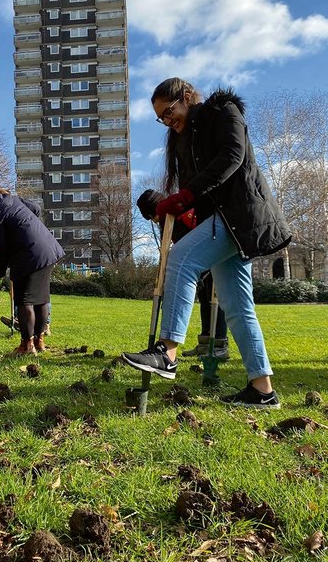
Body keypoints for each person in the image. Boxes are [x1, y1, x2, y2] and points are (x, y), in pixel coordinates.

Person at [123, 79, 292, 408]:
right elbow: (197, 188)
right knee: (238, 307)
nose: (169, 121)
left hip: (241, 216)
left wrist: (185, 197)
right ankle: (262, 390)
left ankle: (167, 351)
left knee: (181, 260)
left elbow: (233, 156)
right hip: (222, 222)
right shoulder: (184, 140)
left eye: (170, 112)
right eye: (162, 118)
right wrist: (186, 206)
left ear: (187, 98)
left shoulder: (223, 112)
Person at [0, 184, 64, 356]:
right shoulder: (10, 199)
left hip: (28, 254)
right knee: (40, 299)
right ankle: (39, 342)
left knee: (23, 301)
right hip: (47, 249)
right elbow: (36, 209)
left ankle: (26, 347)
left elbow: (1, 251)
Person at [136, 188, 229, 360]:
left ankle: (219, 345)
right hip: (196, 266)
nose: (154, 221)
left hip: (211, 258)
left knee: (214, 296)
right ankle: (205, 342)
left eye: (151, 216)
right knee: (204, 298)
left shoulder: (181, 212)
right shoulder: (167, 220)